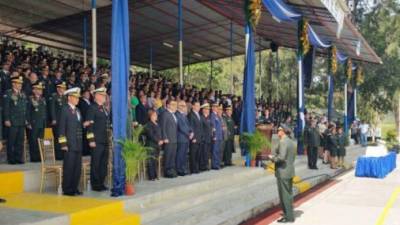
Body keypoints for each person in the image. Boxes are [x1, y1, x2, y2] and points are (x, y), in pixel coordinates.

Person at [267, 124, 296, 223]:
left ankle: (288, 216)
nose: (277, 131)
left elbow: (282, 157)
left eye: (279, 130)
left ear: (283, 131)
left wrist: (272, 158)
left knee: (284, 195)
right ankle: (289, 214)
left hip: (283, 172)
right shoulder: (291, 141)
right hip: (289, 170)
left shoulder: (283, 142)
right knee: (288, 194)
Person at [58, 87, 83, 196]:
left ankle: (74, 187)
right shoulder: (64, 110)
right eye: (75, 97)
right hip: (69, 144)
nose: (77, 99)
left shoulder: (78, 110)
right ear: (69, 98)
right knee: (69, 167)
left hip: (78, 144)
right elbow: (61, 128)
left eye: (78, 97)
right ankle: (67, 189)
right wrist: (63, 144)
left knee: (77, 167)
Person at [84, 87, 110, 191]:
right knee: (96, 163)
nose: (105, 97)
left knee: (103, 163)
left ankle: (101, 182)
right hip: (96, 141)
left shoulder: (103, 108)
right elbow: (89, 126)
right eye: (103, 95)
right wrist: (91, 140)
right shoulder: (92, 108)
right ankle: (95, 184)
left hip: (104, 139)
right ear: (97, 96)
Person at [3, 75, 28, 164]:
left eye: (21, 83)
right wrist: (6, 119)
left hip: (21, 121)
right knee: (11, 141)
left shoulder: (23, 94)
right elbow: (6, 108)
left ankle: (18, 158)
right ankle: (11, 159)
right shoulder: (8, 93)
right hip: (12, 121)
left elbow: (24, 108)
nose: (20, 85)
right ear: (13, 83)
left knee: (20, 141)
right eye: (18, 83)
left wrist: (25, 119)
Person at [26, 82, 47, 162]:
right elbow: (27, 112)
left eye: (41, 89)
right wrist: (28, 122)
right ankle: (34, 158)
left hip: (41, 123)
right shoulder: (30, 99)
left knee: (40, 141)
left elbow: (44, 112)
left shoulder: (43, 99)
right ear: (34, 90)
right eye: (38, 89)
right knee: (33, 141)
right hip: (33, 123)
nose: (40, 91)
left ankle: (40, 157)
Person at [160, 99, 178, 178]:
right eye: (173, 104)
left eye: (175, 105)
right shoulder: (165, 114)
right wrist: (164, 137)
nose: (175, 106)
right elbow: (162, 127)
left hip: (174, 138)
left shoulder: (173, 114)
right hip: (168, 139)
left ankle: (171, 170)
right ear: (168, 105)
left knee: (172, 155)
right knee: (168, 156)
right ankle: (167, 172)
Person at [49, 81, 67, 160]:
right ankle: (58, 155)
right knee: (57, 138)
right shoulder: (54, 97)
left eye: (63, 88)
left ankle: (63, 153)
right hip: (57, 121)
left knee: (63, 137)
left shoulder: (65, 97)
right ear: (57, 88)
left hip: (64, 121)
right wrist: (53, 119)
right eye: (61, 88)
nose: (62, 90)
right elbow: (52, 109)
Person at [143, 110, 163, 180]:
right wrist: (158, 141)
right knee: (151, 161)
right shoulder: (148, 124)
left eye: (156, 115)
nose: (156, 116)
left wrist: (161, 140)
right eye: (154, 115)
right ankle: (151, 176)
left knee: (155, 161)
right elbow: (151, 135)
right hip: (151, 145)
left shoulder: (157, 124)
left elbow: (160, 133)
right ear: (150, 116)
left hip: (157, 145)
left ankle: (155, 174)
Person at [175, 100, 193, 176]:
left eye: (185, 106)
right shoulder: (177, 114)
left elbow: (188, 125)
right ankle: (179, 170)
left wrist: (191, 131)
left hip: (186, 138)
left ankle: (183, 168)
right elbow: (181, 127)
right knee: (180, 155)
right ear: (178, 106)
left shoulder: (184, 115)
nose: (184, 107)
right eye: (182, 105)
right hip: (181, 138)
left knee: (184, 155)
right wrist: (188, 134)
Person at [187, 101, 202, 174]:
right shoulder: (191, 115)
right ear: (193, 106)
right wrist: (193, 138)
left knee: (197, 154)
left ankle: (196, 168)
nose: (198, 107)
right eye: (197, 106)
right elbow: (191, 127)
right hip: (194, 138)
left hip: (199, 138)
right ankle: (192, 169)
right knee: (193, 154)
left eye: (199, 106)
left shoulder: (198, 114)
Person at [210, 103, 223, 170]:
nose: (217, 108)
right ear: (212, 108)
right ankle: (214, 165)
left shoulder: (217, 116)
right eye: (215, 107)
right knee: (215, 151)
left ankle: (217, 163)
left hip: (219, 136)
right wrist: (214, 135)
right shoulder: (212, 115)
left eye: (217, 107)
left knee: (218, 151)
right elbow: (213, 126)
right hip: (216, 136)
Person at [200, 103, 213, 171]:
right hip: (204, 139)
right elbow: (201, 129)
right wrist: (203, 138)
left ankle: (206, 164)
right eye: (207, 109)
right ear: (203, 110)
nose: (208, 110)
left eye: (208, 109)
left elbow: (210, 126)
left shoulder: (208, 117)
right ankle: (203, 166)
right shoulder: (201, 118)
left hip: (209, 138)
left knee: (207, 153)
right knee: (203, 153)